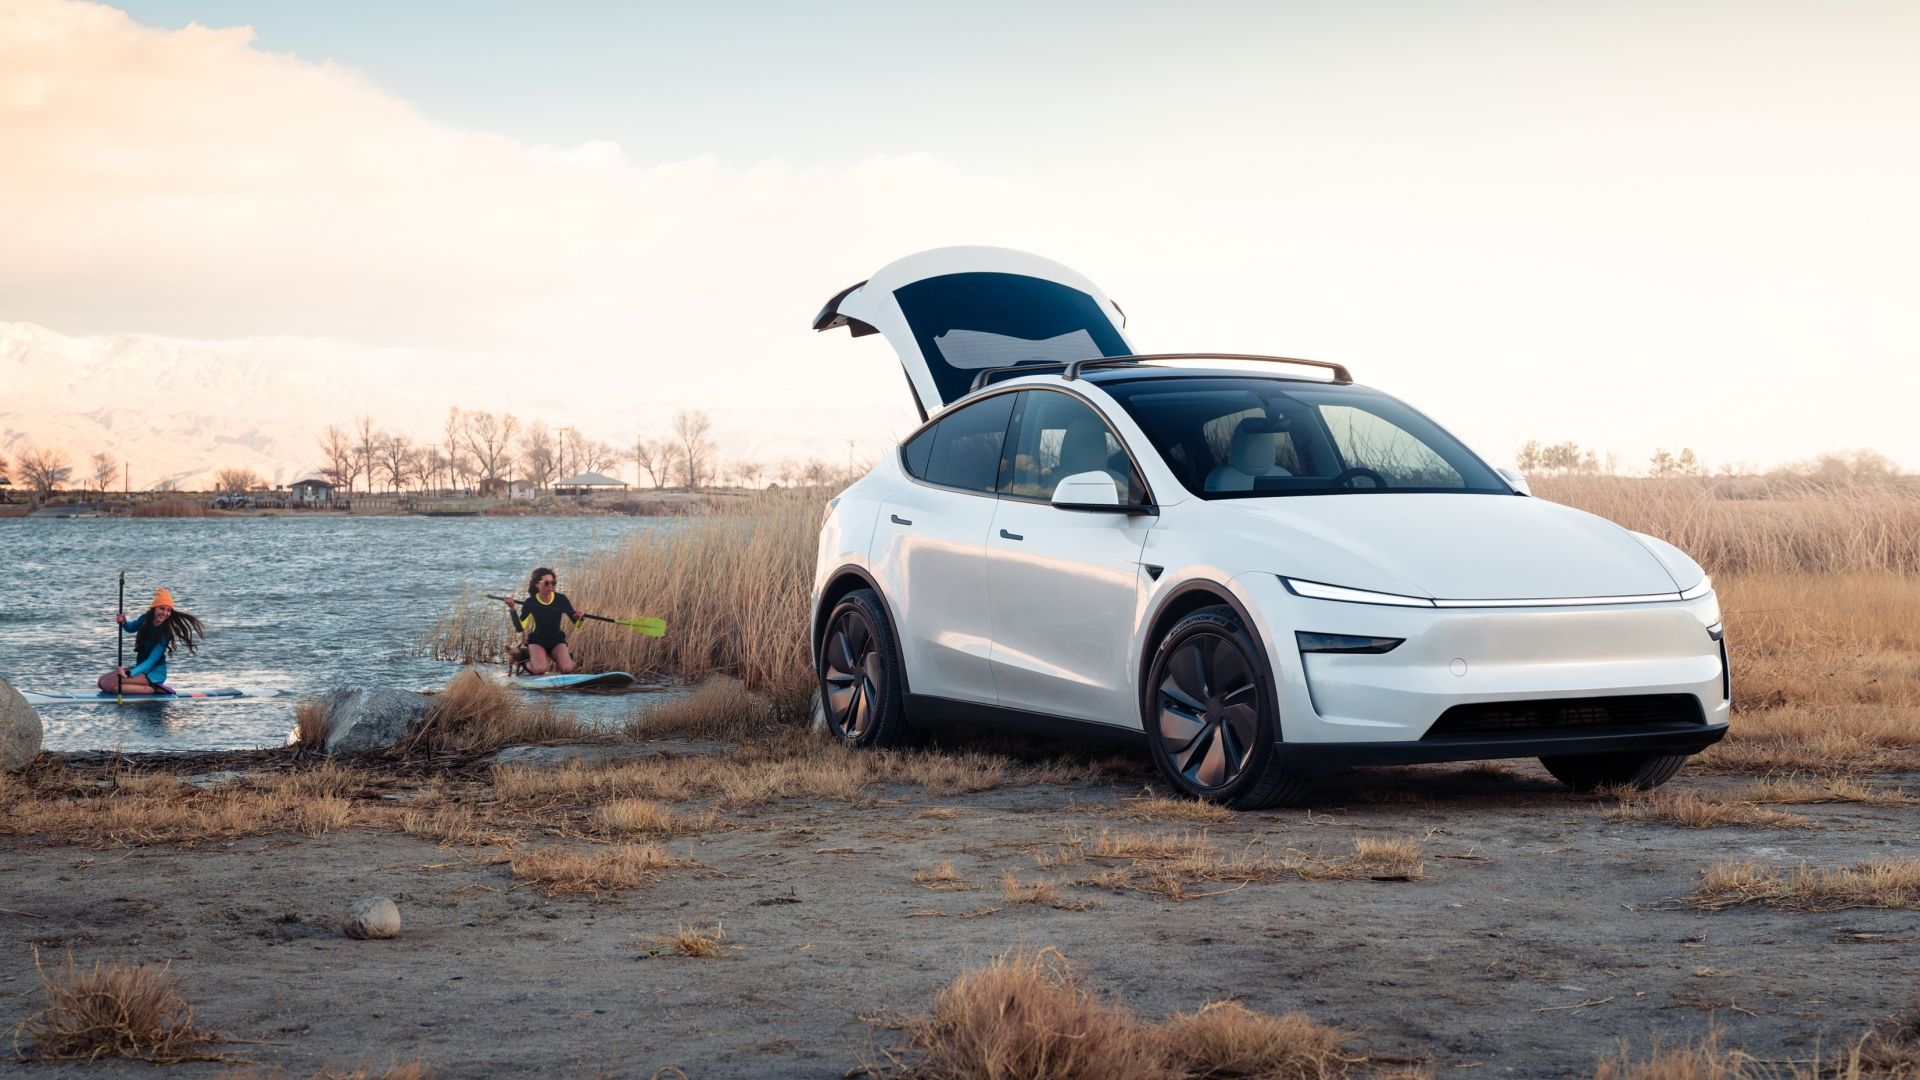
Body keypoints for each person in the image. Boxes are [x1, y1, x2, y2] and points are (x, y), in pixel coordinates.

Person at [99, 587, 205, 695]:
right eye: (161, 608)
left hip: (154, 673)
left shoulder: (165, 634)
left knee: (108, 684)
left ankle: (152, 689)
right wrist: (124, 622)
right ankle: (140, 686)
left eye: (168, 610)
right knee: (101, 681)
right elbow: (130, 628)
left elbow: (151, 661)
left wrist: (129, 673)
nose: (165, 613)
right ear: (154, 608)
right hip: (141, 668)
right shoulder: (145, 619)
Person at [501, 567, 590, 675]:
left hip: (557, 641)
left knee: (567, 669)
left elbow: (577, 624)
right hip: (537, 641)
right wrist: (512, 608)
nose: (550, 586)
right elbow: (520, 628)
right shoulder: (530, 602)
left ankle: (566, 658)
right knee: (540, 670)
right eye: (546, 583)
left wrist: (580, 618)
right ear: (537, 584)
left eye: (553, 583)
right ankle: (522, 660)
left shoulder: (561, 599)